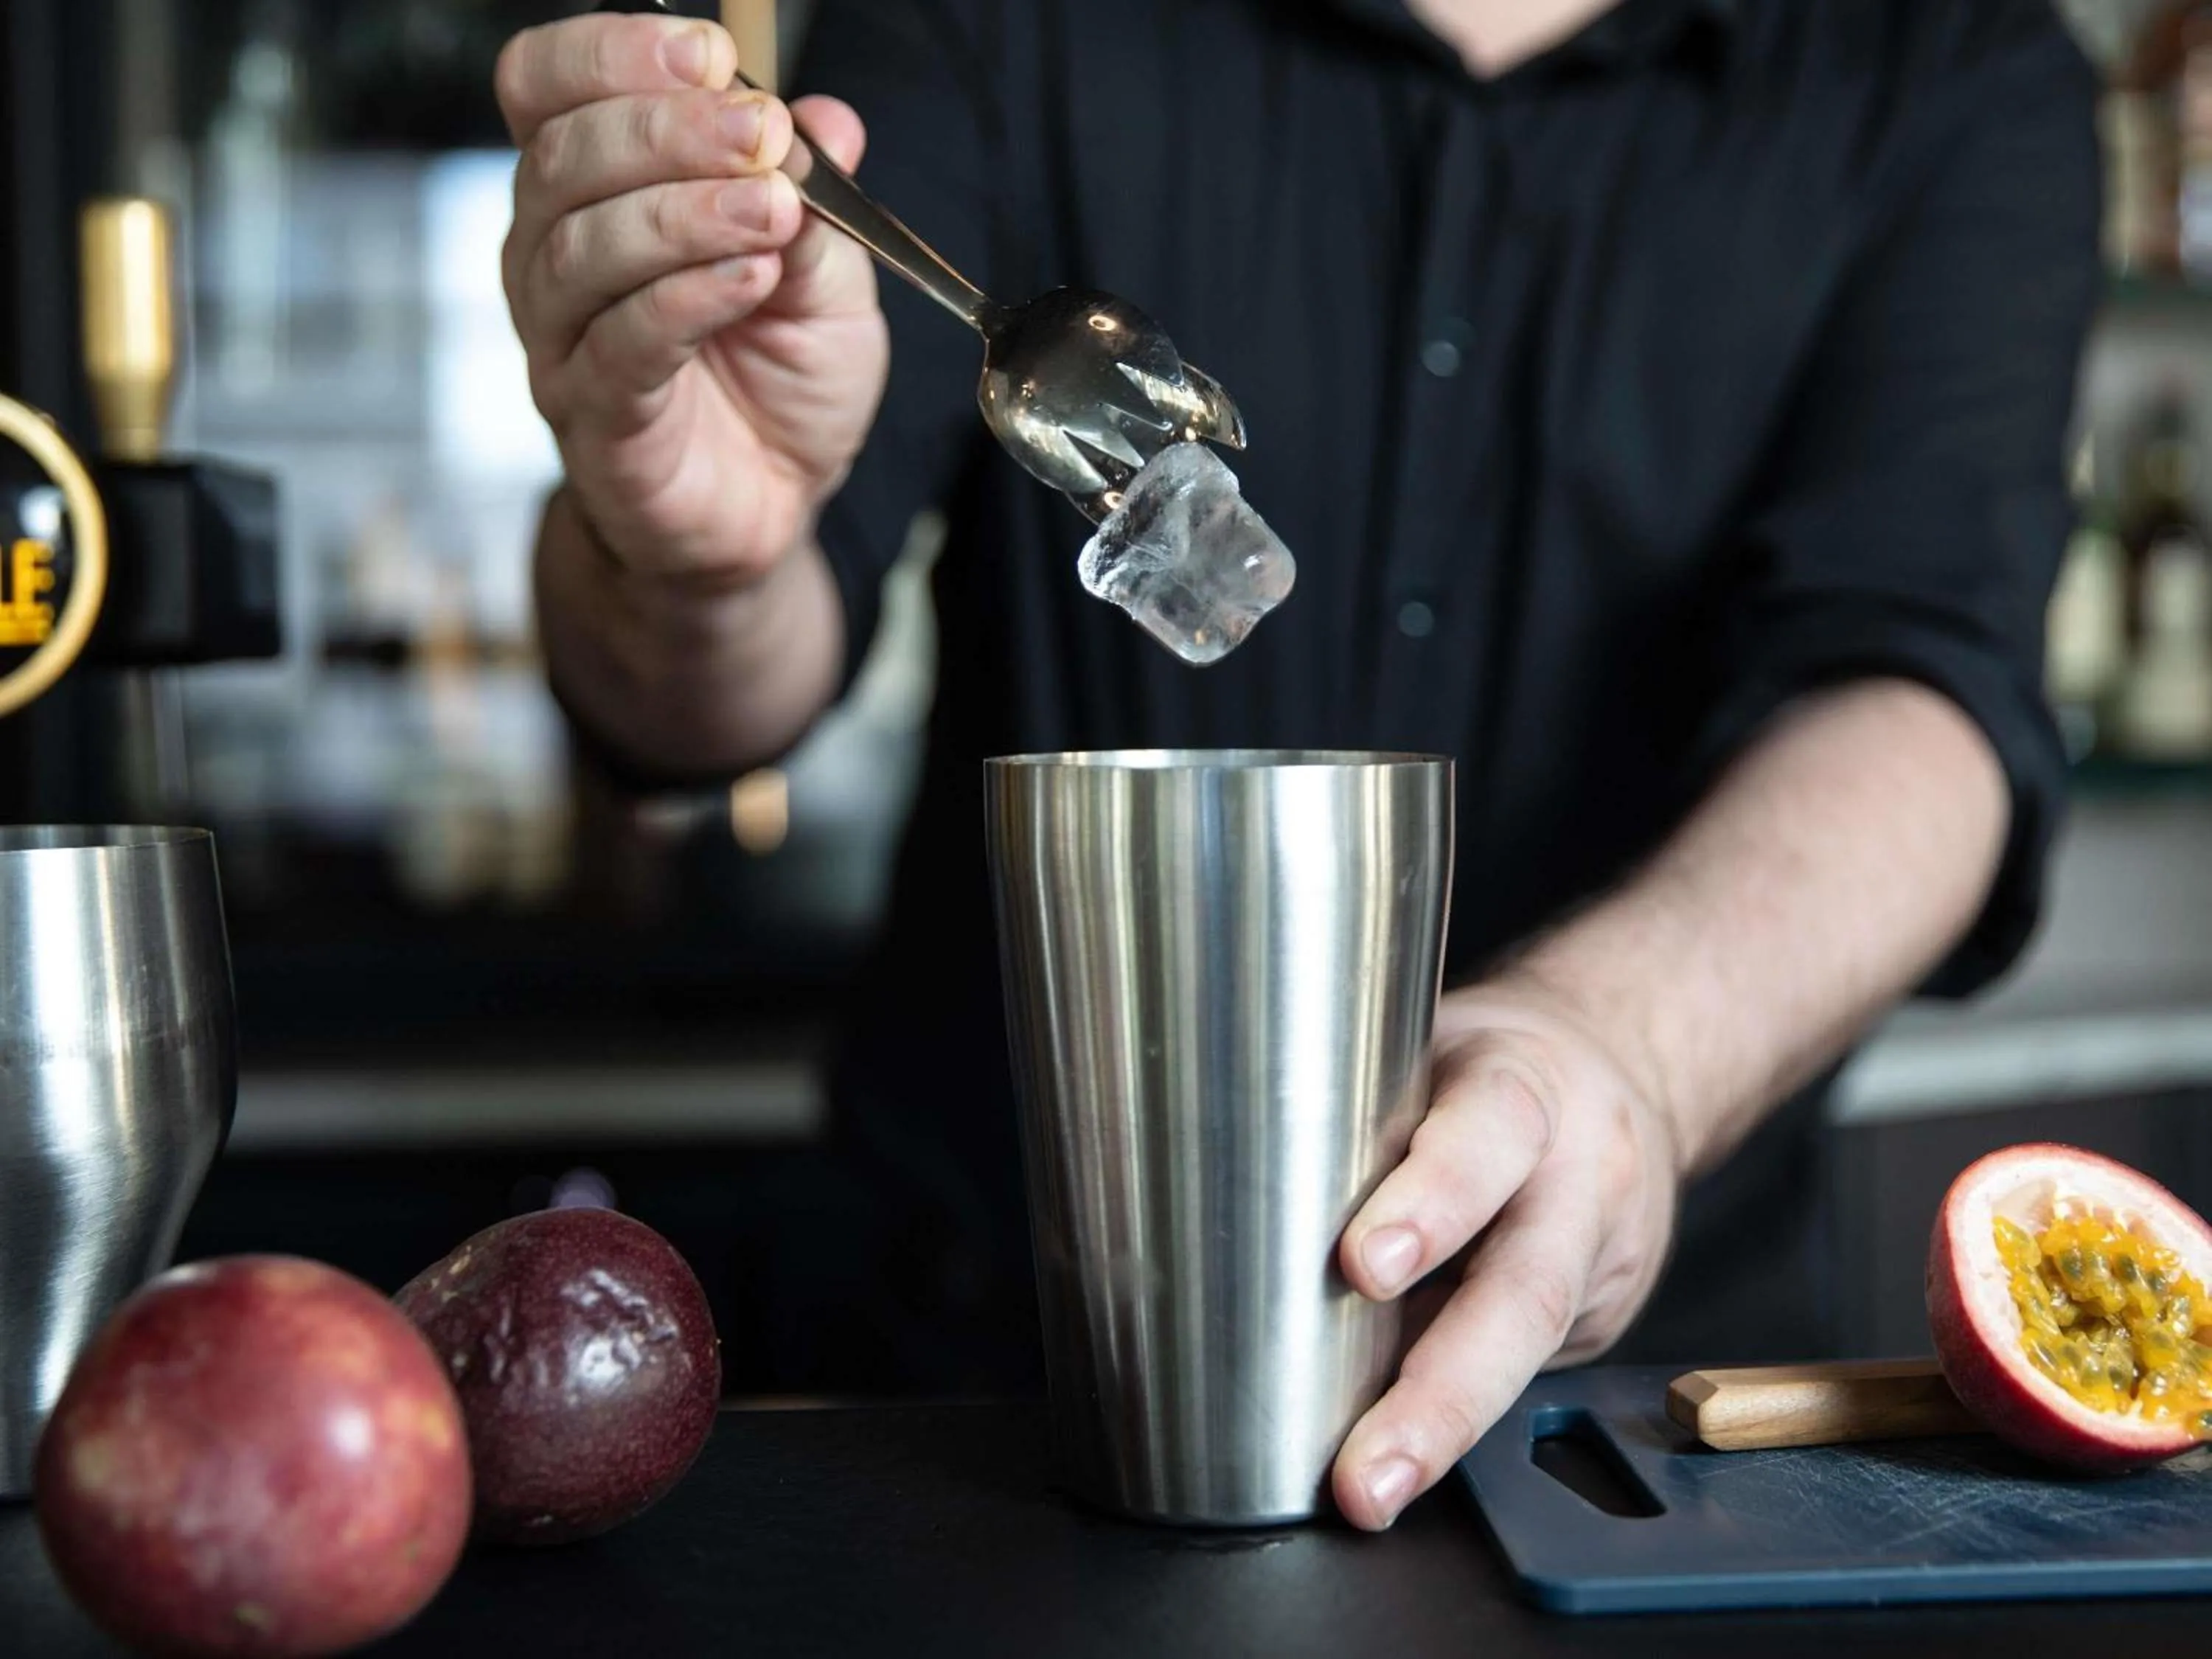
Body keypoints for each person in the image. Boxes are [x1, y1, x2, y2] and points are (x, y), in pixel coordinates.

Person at [493, 0, 2100, 1528]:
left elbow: (1927, 697)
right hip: (978, 1407)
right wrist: (693, 561)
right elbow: (702, 700)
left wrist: (1624, 1046)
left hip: (1642, 1436)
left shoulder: (1950, 63)